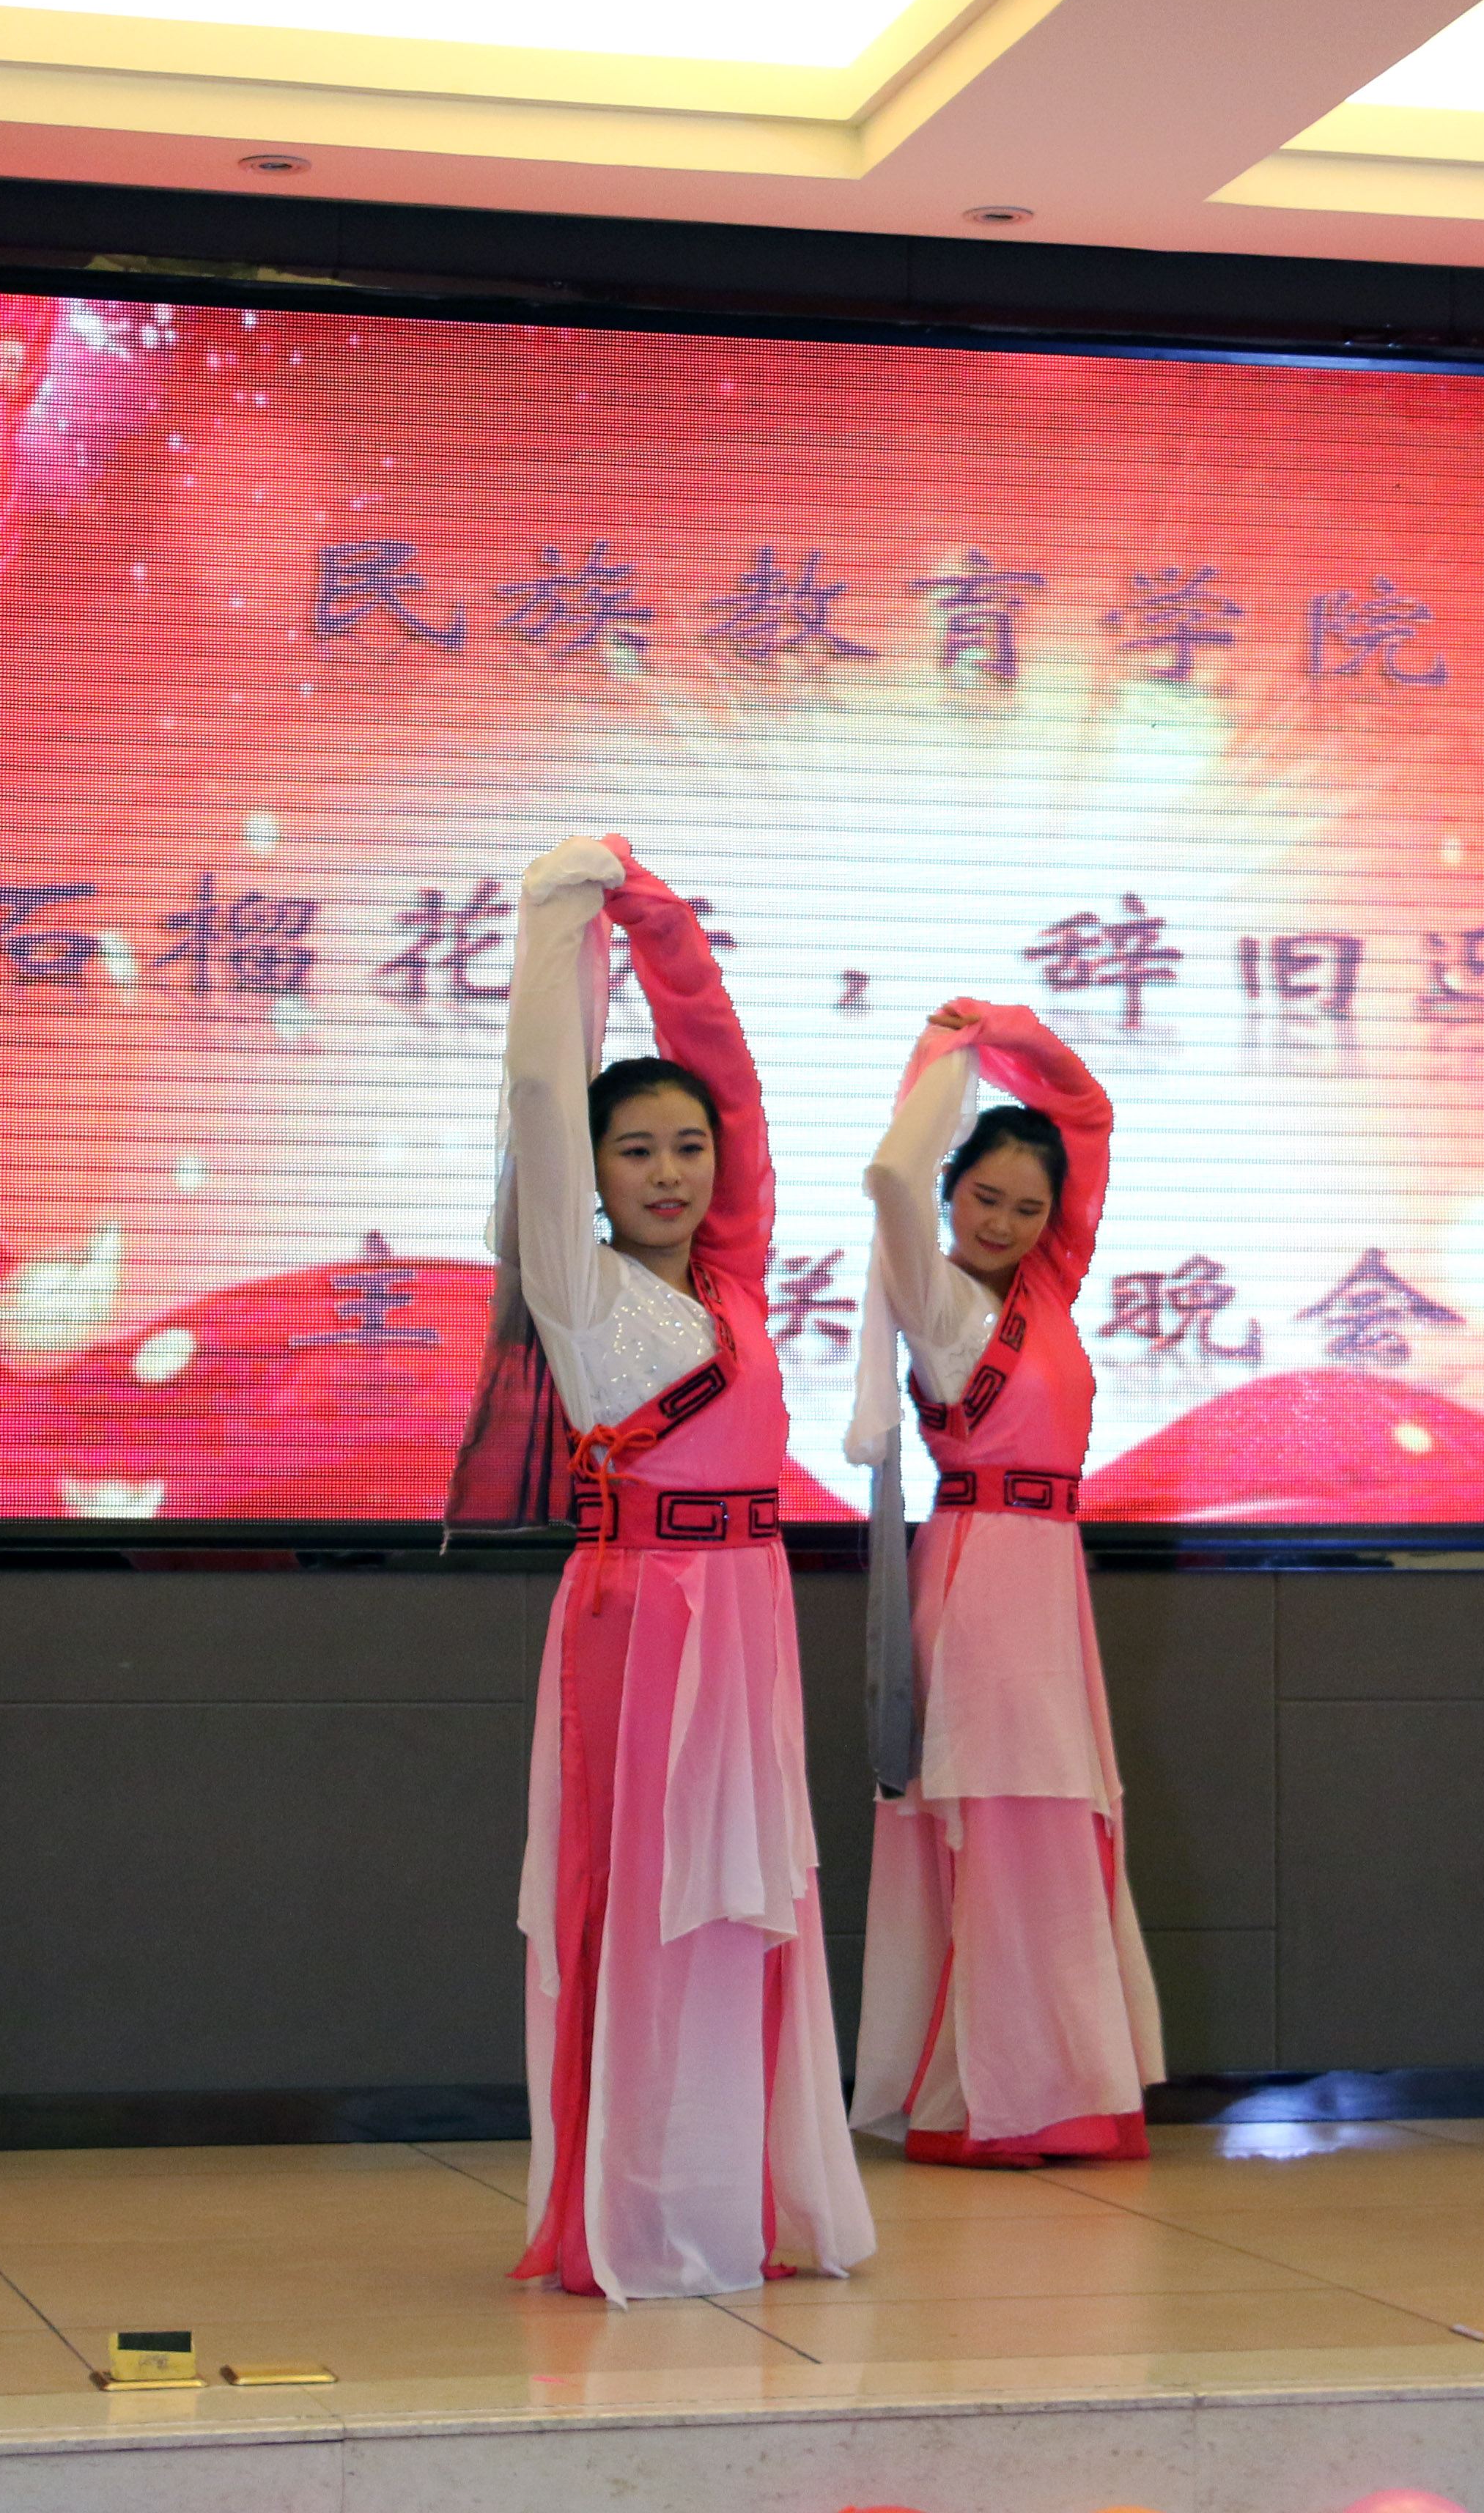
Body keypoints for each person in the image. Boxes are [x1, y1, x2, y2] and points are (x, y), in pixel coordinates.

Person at [486, 835, 874, 2300]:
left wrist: (663, 928)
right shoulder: (574, 1285)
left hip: (751, 1617)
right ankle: (641, 2214)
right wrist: (558, 919)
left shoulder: (735, 1278)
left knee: (744, 1903)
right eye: (635, 1149)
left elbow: (736, 1083)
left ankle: (734, 2195)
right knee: (647, 1902)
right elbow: (542, 1093)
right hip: (640, 1616)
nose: (669, 1170)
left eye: (687, 1147)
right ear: (588, 1175)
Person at [846, 1003, 1165, 2166]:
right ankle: (983, 2102)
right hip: (979, 1574)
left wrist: (1011, 1030)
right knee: (995, 1826)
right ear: (951, 1191)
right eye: (984, 1197)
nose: (1005, 1222)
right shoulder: (933, 1295)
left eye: (1029, 1208)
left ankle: (1062, 2090)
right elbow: (892, 1173)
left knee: (1055, 1827)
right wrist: (947, 1056)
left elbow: (1088, 1113)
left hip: (1049, 1577)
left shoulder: (1049, 1285)